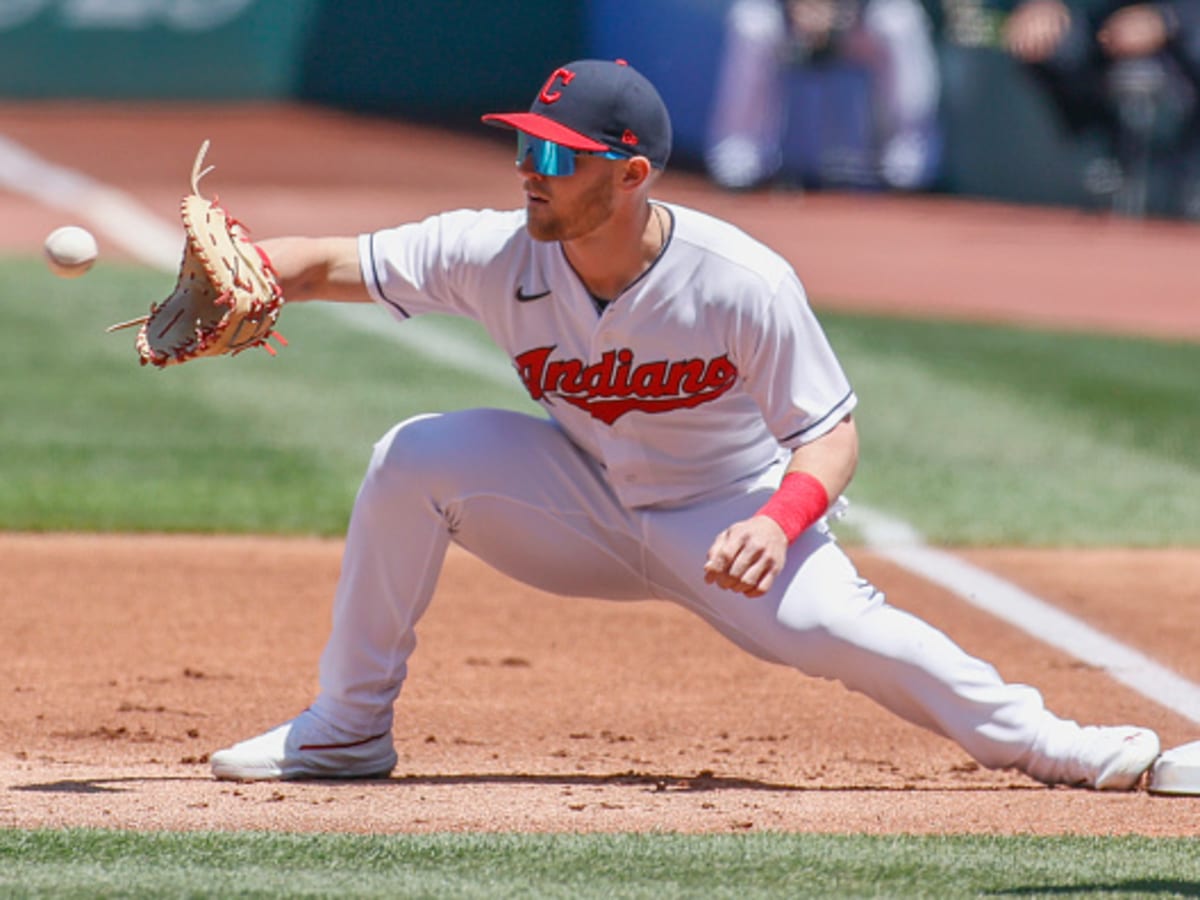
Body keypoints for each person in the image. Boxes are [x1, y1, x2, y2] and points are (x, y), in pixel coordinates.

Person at [210, 58, 1162, 790]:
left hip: (726, 521)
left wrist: (777, 523)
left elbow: (830, 434)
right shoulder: (493, 249)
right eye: (523, 151)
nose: (529, 175)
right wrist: (229, 271)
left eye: (554, 156)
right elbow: (322, 263)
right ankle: (346, 729)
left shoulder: (739, 280)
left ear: (629, 176)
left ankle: (1065, 747)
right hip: (579, 505)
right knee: (414, 456)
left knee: (857, 633)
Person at [705, 0, 943, 191]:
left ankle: (907, 154)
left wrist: (840, 10)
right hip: (788, 20)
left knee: (900, 20)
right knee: (751, 22)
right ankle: (740, 151)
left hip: (857, 20)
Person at [1002, 0, 1200, 216]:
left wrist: (1166, 18)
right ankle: (1099, 161)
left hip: (1183, 33)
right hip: (1101, 30)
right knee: (1057, 41)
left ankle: (1190, 184)